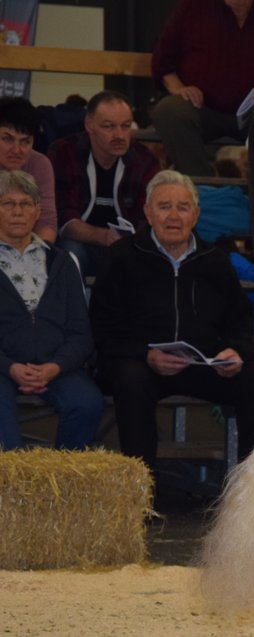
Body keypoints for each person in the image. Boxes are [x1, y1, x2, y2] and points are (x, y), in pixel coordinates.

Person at [89, 170, 254, 472]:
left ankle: (252, 485)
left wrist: (236, 351)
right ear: (148, 212)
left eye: (183, 207)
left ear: (196, 215)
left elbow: (241, 322)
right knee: (131, 380)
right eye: (164, 206)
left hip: (202, 363)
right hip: (141, 363)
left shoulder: (215, 260)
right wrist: (145, 354)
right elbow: (103, 325)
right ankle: (142, 488)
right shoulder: (122, 257)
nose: (174, 216)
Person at [0, 170, 102, 452]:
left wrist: (55, 367)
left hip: (55, 366)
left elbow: (81, 333)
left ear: (37, 211)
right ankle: (12, 478)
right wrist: (10, 367)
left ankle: (62, 475)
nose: (18, 212)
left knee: (87, 403)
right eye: (8, 204)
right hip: (3, 366)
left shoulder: (62, 261)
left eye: (26, 204)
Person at [149, 0, 254, 177]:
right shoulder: (191, 10)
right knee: (169, 111)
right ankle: (201, 184)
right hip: (202, 109)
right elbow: (162, 60)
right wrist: (178, 87)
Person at [48, 91, 160, 278]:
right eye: (109, 126)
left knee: (147, 255)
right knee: (69, 253)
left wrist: (128, 240)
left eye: (126, 126)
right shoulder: (64, 152)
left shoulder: (145, 160)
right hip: (79, 243)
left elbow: (149, 216)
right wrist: (103, 236)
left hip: (127, 246)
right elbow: (62, 216)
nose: (119, 135)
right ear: (89, 125)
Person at [0, 98, 56, 243]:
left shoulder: (40, 165)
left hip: (25, 247)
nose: (16, 150)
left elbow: (46, 223)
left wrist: (36, 253)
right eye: (7, 139)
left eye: (25, 142)